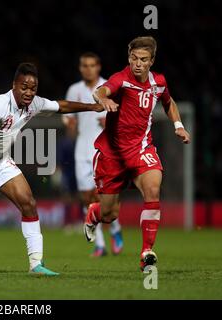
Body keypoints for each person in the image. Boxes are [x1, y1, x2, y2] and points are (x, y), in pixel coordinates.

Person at [0, 62, 105, 276]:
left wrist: (91, 107)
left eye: (33, 88)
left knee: (28, 202)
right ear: (14, 85)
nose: (29, 92)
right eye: (24, 87)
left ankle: (36, 264)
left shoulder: (34, 104)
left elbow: (61, 106)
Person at [84, 36, 191, 270]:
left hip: (141, 149)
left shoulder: (159, 82)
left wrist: (178, 126)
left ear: (151, 61)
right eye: (134, 58)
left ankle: (146, 253)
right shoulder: (121, 80)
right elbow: (101, 90)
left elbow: (168, 101)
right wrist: (104, 100)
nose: (138, 64)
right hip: (112, 155)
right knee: (109, 214)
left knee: (153, 188)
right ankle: (94, 214)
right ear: (128, 58)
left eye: (143, 59)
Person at [63, 52, 124, 257]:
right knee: (86, 199)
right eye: (84, 65)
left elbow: (124, 118)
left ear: (98, 67)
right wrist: (70, 125)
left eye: (92, 65)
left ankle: (115, 230)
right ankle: (100, 245)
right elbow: (69, 119)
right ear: (80, 68)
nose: (88, 69)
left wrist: (111, 122)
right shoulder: (74, 90)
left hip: (105, 151)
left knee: (103, 198)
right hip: (82, 150)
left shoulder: (111, 86)